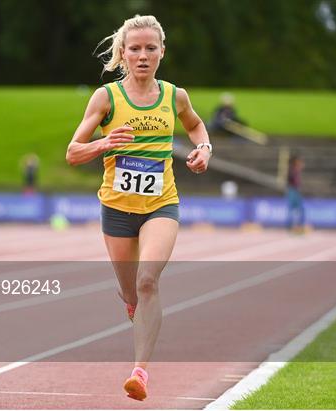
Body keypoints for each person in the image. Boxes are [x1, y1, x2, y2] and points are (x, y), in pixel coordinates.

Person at [66, 15, 211, 401]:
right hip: (116, 209)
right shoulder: (106, 98)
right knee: (131, 292)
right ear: (123, 54)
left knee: (148, 281)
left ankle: (139, 373)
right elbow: (73, 152)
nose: (143, 55)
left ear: (162, 52)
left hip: (161, 205)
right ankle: (133, 305)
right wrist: (103, 143)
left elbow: (195, 125)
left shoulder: (174, 95)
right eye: (135, 49)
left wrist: (204, 149)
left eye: (150, 48)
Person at [286, 155, 305, 233]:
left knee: (300, 209)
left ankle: (299, 226)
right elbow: (290, 180)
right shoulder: (292, 170)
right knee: (292, 209)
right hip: (292, 190)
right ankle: (290, 226)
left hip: (296, 190)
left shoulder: (296, 170)